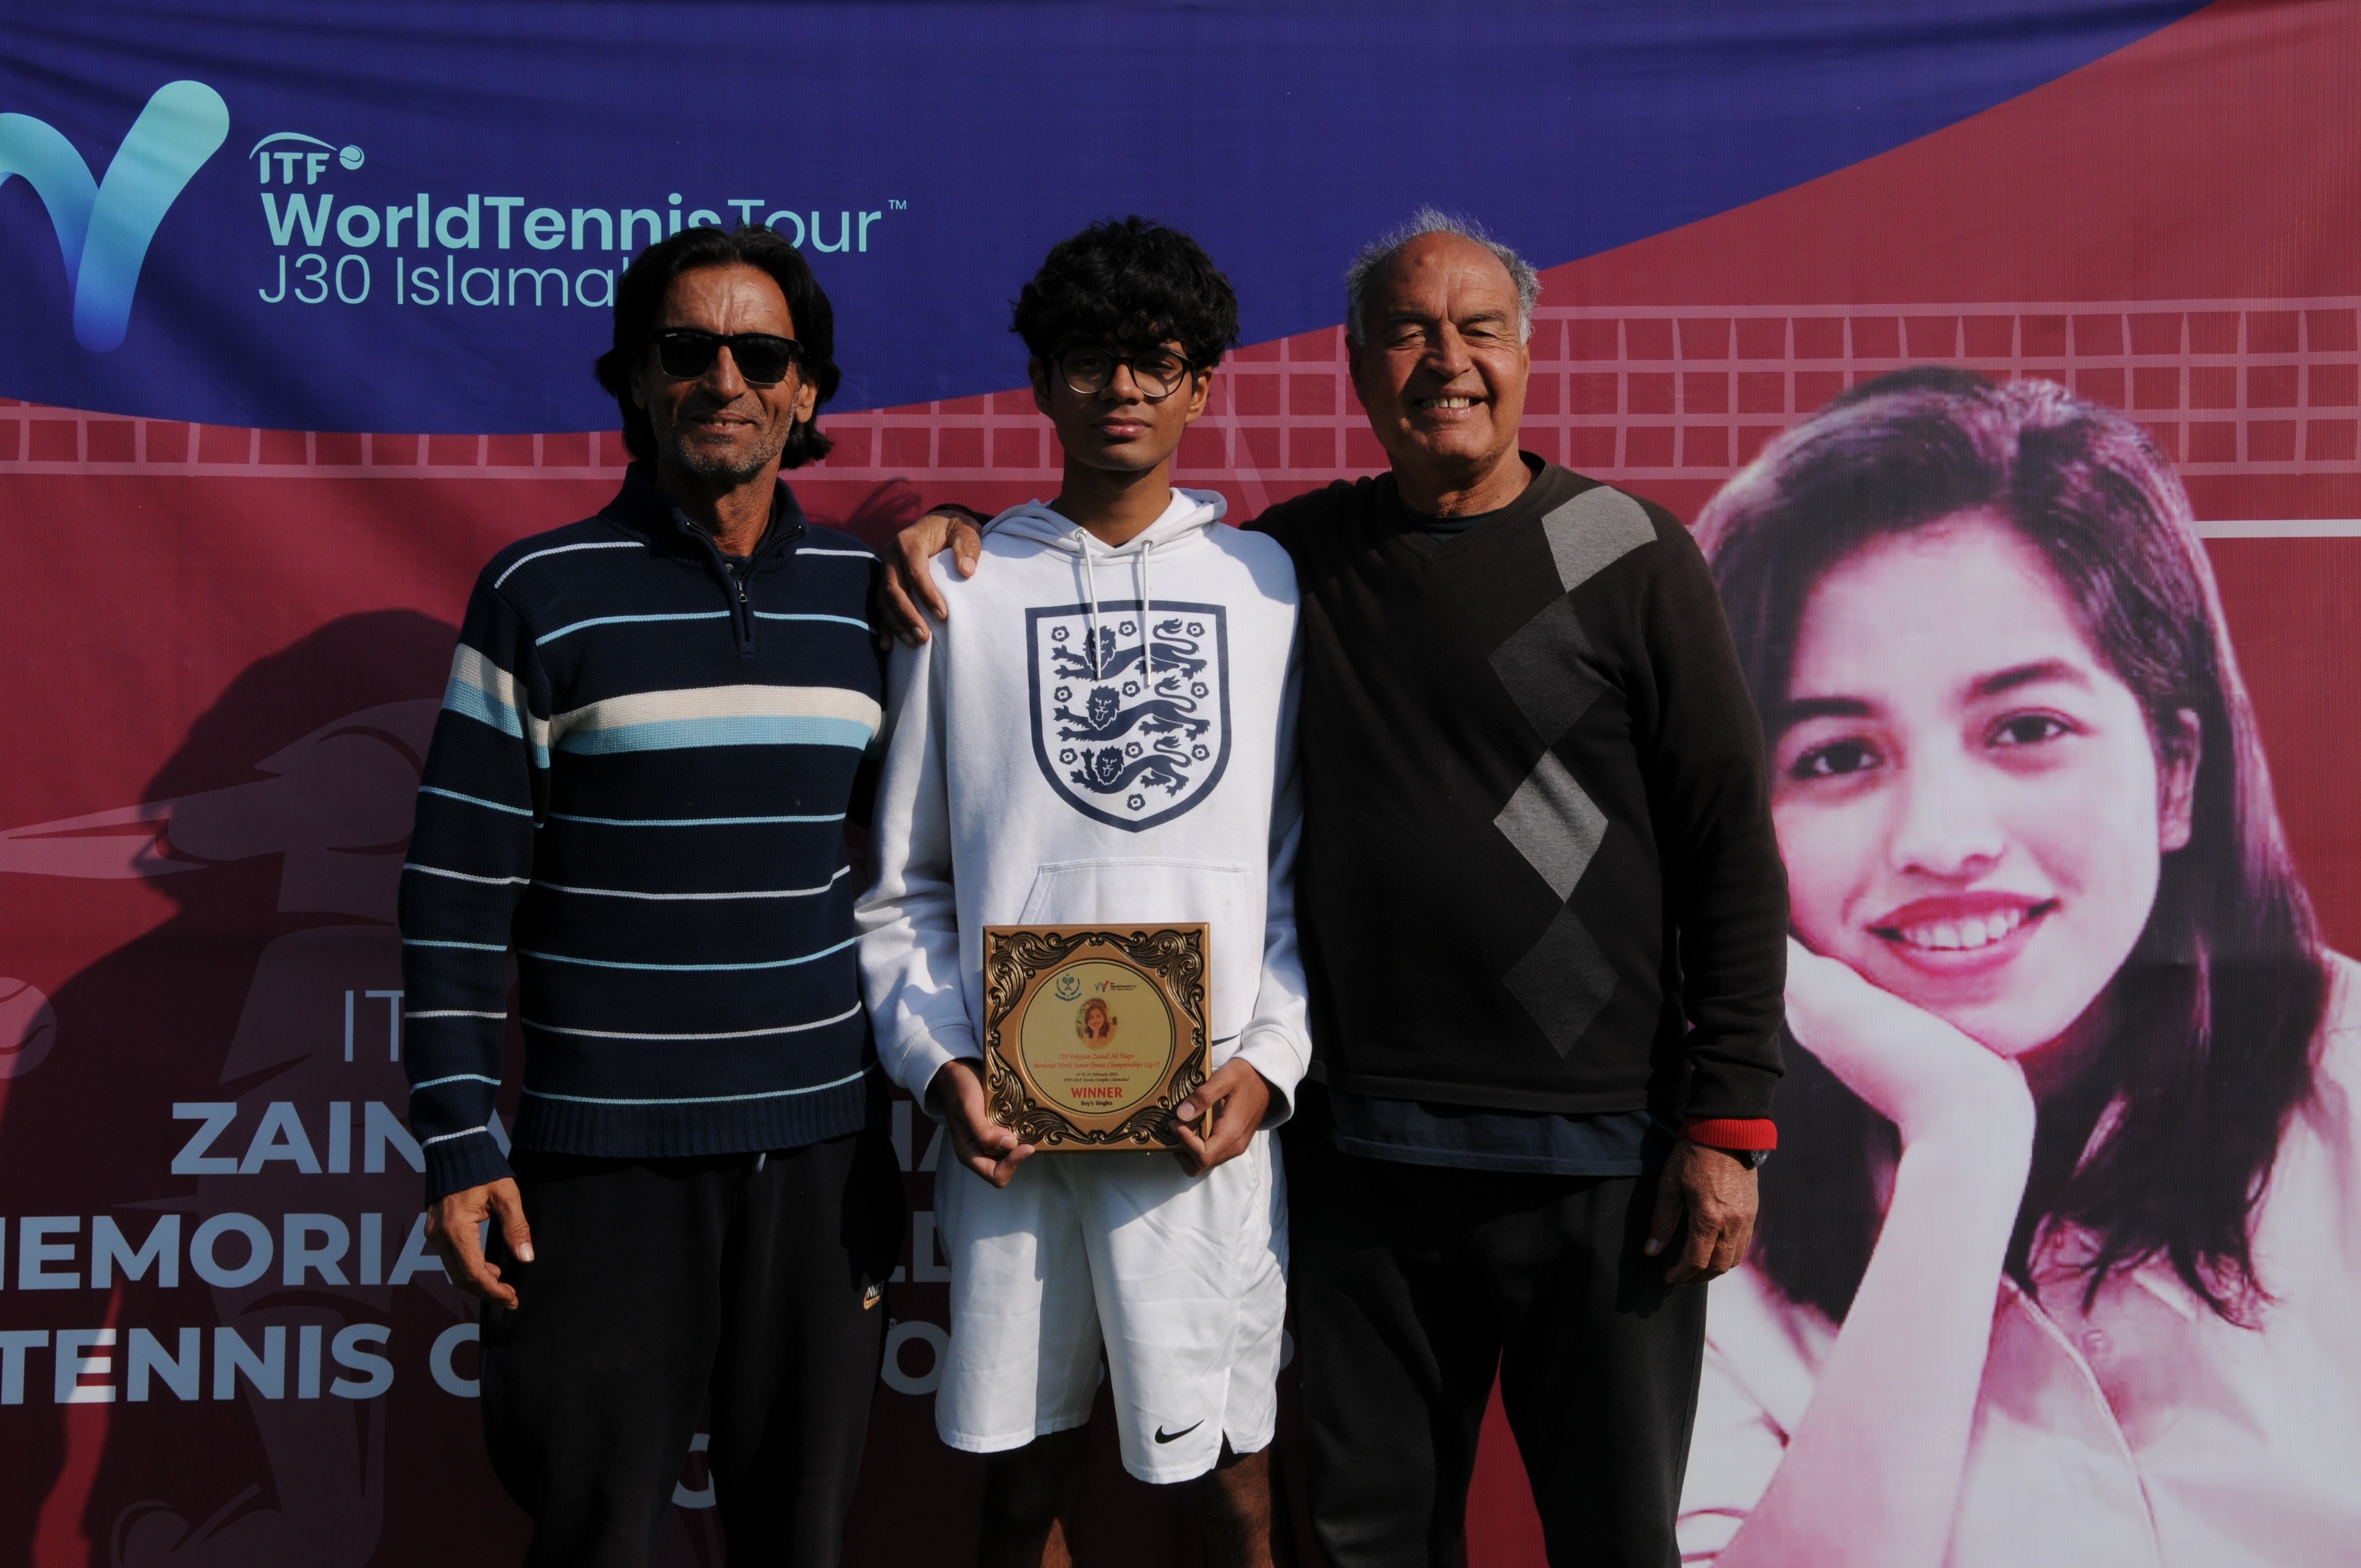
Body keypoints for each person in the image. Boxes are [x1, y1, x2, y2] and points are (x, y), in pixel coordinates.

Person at [879, 210, 1788, 1568]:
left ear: (1525, 350)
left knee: (1614, 1534)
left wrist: (1729, 1121)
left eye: (1476, 328)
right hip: (1367, 1155)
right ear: (1358, 371)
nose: (1446, 361)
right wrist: (948, 529)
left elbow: (1726, 840)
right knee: (1369, 1537)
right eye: (1407, 334)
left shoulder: (1624, 553)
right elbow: (1105, 553)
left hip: (1600, 1146)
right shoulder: (1293, 563)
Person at [1677, 368, 2360, 1567]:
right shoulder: (1690, 1186)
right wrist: (1962, 1137)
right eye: (1836, 755)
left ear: (2170, 772)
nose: (1942, 837)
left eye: (2024, 727)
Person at [398, 223, 904, 1568]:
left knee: (799, 1538)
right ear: (634, 380)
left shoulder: (876, 598)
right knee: (595, 1535)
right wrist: (458, 1144)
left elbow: (927, 882)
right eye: (686, 350)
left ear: (806, 392)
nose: (722, 379)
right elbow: (455, 893)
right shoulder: (538, 595)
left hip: (823, 1160)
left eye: (761, 354)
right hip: (602, 1164)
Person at [856, 216, 1309, 1568]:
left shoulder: (1267, 586)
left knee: (1231, 1492)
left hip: (1202, 1125)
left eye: (1153, 361)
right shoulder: (958, 587)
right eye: (1087, 360)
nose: (1121, 388)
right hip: (1014, 1126)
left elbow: (1292, 877)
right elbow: (901, 886)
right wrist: (942, 1065)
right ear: (1041, 380)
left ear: (1200, 384)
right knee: (1017, 1493)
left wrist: (1270, 1068)